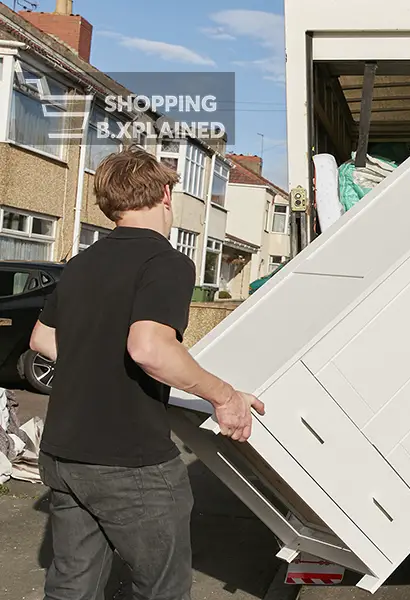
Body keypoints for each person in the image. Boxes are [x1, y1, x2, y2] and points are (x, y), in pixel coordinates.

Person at [29, 145, 265, 600]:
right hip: (130, 465)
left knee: (71, 587)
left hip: (63, 456)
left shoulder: (80, 265)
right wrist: (225, 396)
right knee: (162, 590)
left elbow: (41, 339)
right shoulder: (166, 262)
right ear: (164, 193)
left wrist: (96, 362)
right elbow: (149, 348)